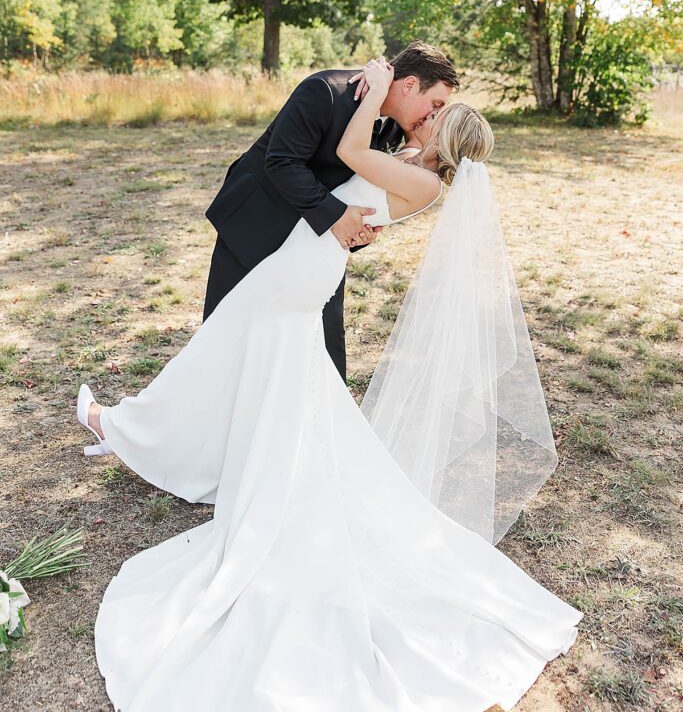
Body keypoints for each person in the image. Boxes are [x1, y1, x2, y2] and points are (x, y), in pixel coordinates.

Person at [77, 57, 582, 712]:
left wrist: (373, 92)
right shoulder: (413, 166)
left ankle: (128, 428)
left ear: (444, 138)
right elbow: (337, 178)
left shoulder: (416, 176)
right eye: (430, 106)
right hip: (303, 258)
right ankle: (176, 441)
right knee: (257, 364)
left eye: (436, 117)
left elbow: (348, 154)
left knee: (226, 352)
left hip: (302, 268)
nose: (426, 118)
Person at [201, 40, 459, 381]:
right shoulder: (325, 91)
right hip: (255, 227)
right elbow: (282, 162)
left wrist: (363, 226)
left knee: (322, 351)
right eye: (435, 104)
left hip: (317, 244)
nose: (433, 115)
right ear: (410, 85)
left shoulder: (397, 125)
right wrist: (337, 216)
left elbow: (365, 182)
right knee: (227, 340)